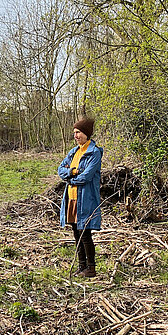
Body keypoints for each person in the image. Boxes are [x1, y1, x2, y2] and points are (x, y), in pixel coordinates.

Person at [58, 115, 103, 277]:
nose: (76, 135)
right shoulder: (73, 152)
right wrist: (72, 171)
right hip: (71, 198)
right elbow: (60, 171)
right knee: (76, 233)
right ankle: (81, 266)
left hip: (86, 199)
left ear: (86, 133)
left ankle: (91, 268)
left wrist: (71, 178)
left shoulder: (94, 153)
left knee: (85, 233)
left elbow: (87, 177)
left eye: (79, 132)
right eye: (74, 132)